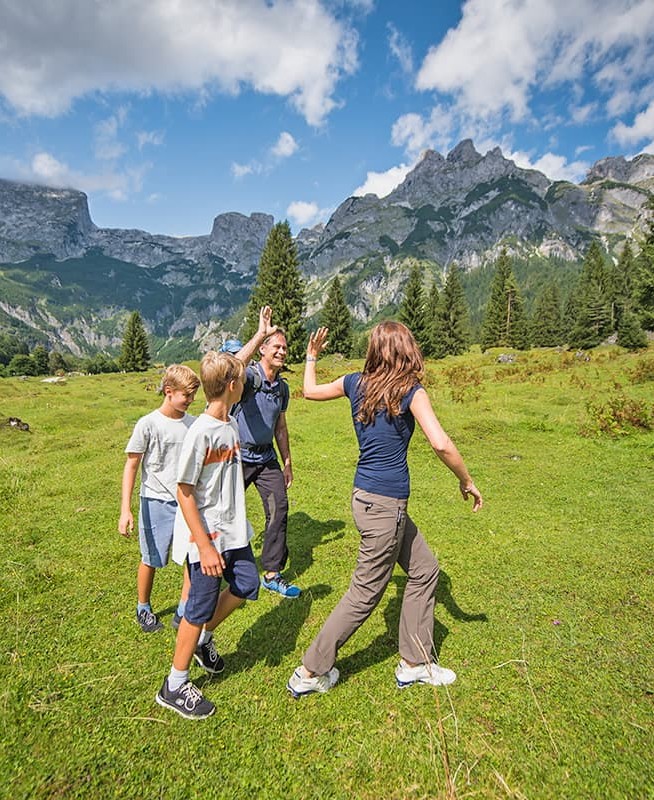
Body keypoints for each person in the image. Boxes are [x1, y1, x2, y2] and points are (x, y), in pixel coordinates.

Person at [287, 322, 483, 698]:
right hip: (386, 507)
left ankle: (414, 663)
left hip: (365, 499)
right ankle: (310, 670)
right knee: (364, 594)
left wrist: (312, 355)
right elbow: (441, 443)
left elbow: (309, 391)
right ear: (406, 349)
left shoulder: (354, 383)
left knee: (425, 570)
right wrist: (466, 480)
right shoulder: (410, 390)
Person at [156, 351, 260, 719]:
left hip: (234, 533)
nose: (246, 383)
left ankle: (201, 639)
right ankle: (174, 684)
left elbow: (236, 365)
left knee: (247, 585)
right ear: (232, 387)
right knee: (197, 609)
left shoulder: (229, 424)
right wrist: (203, 545)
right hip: (208, 540)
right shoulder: (199, 433)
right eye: (242, 380)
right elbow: (184, 491)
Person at [119, 364, 200, 632]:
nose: (190, 401)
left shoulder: (193, 424)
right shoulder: (148, 424)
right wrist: (125, 510)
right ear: (168, 392)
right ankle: (143, 606)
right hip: (154, 501)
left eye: (193, 396)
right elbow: (131, 465)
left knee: (191, 555)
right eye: (186, 396)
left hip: (185, 502)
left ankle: (183, 608)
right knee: (152, 557)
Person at [230, 320, 300, 598]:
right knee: (227, 511)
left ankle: (271, 573)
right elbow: (231, 368)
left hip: (266, 457)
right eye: (276, 347)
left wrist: (287, 462)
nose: (282, 352)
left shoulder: (281, 388)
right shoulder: (249, 376)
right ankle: (217, 564)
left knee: (279, 507)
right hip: (237, 457)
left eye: (285, 348)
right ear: (262, 350)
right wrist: (261, 332)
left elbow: (280, 427)